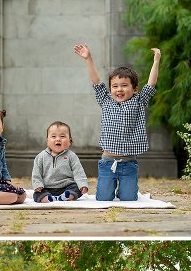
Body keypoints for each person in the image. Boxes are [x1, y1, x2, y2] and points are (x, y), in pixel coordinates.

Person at [73, 44, 161, 201]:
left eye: (124, 85)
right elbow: (96, 81)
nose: (119, 89)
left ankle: (126, 189)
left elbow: (151, 84)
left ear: (134, 89)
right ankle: (112, 188)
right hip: (108, 163)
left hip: (129, 164)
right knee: (103, 198)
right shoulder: (106, 100)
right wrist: (88, 58)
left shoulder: (139, 101)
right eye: (115, 86)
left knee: (129, 199)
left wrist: (156, 60)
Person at [31, 121, 89, 203]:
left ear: (70, 141)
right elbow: (36, 174)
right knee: (37, 194)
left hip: (67, 186)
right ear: (47, 141)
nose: (58, 139)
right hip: (47, 187)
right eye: (53, 136)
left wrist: (82, 184)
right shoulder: (41, 157)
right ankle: (49, 199)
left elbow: (78, 172)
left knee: (77, 188)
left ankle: (66, 196)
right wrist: (38, 185)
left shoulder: (71, 156)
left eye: (62, 136)